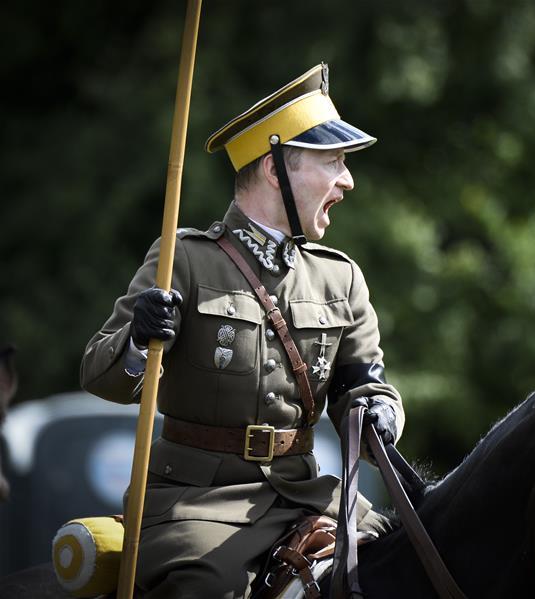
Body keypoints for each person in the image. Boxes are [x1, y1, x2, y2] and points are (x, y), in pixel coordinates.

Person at [81, 63, 403, 598]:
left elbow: (362, 384)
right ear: (277, 170)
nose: (347, 181)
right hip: (195, 501)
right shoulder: (183, 259)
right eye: (334, 162)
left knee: (401, 564)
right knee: (207, 588)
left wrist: (379, 412)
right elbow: (100, 375)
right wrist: (139, 339)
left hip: (304, 492)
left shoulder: (340, 276)